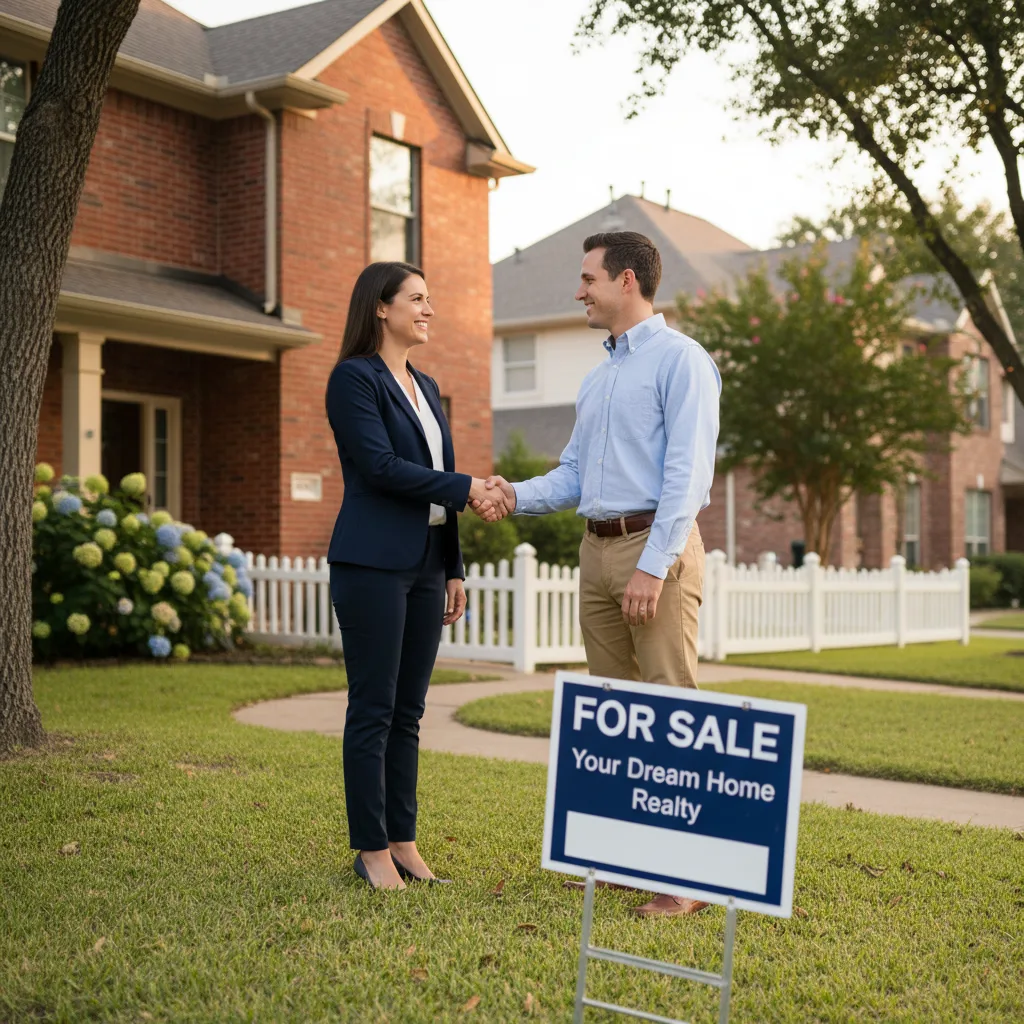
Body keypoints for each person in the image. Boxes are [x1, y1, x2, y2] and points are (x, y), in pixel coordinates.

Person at [479, 231, 721, 917]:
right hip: (596, 552)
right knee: (616, 715)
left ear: (626, 281)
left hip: (655, 548)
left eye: (587, 279)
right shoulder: (601, 375)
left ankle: (686, 881)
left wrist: (653, 566)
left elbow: (687, 477)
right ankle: (628, 860)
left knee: (671, 711)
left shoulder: (682, 362)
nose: (578, 291)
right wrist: (512, 494)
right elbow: (576, 474)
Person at [325, 262, 510, 891]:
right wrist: (467, 489)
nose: (429, 310)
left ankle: (402, 839)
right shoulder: (353, 379)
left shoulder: (427, 386)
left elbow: (436, 473)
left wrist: (453, 565)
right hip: (372, 563)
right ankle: (370, 849)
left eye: (430, 300)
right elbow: (378, 467)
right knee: (373, 708)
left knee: (410, 711)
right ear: (381, 308)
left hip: (429, 564)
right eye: (417, 300)